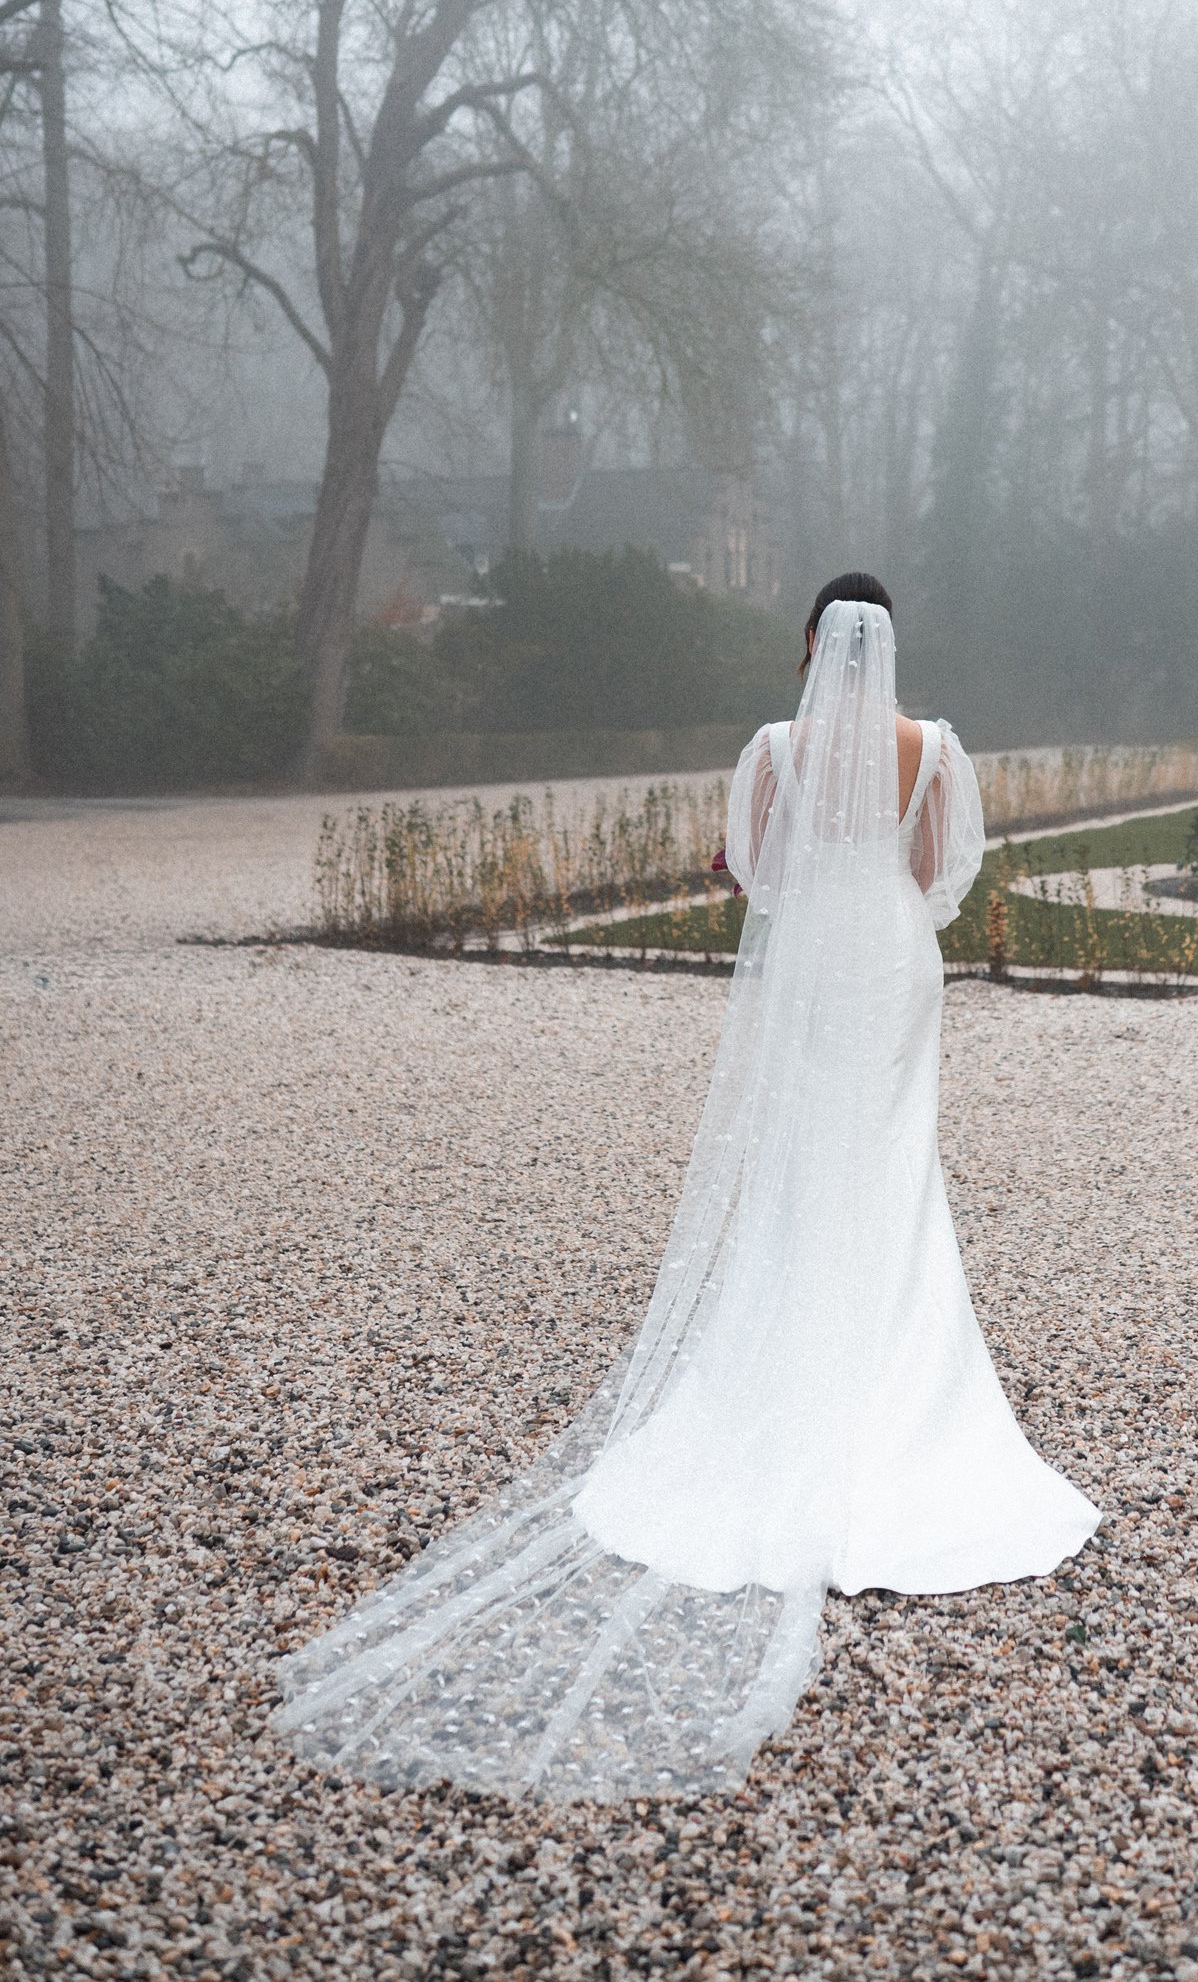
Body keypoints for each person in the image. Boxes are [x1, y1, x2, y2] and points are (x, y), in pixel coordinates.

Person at [274, 574, 1098, 1801]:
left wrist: (814, 880)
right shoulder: (934, 747)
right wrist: (874, 889)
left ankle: (788, 1351)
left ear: (814, 643)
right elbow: (936, 874)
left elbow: (759, 876)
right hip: (888, 955)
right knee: (890, 1164)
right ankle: (898, 1374)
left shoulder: (773, 744)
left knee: (799, 1171)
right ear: (889, 644)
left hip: (818, 951)